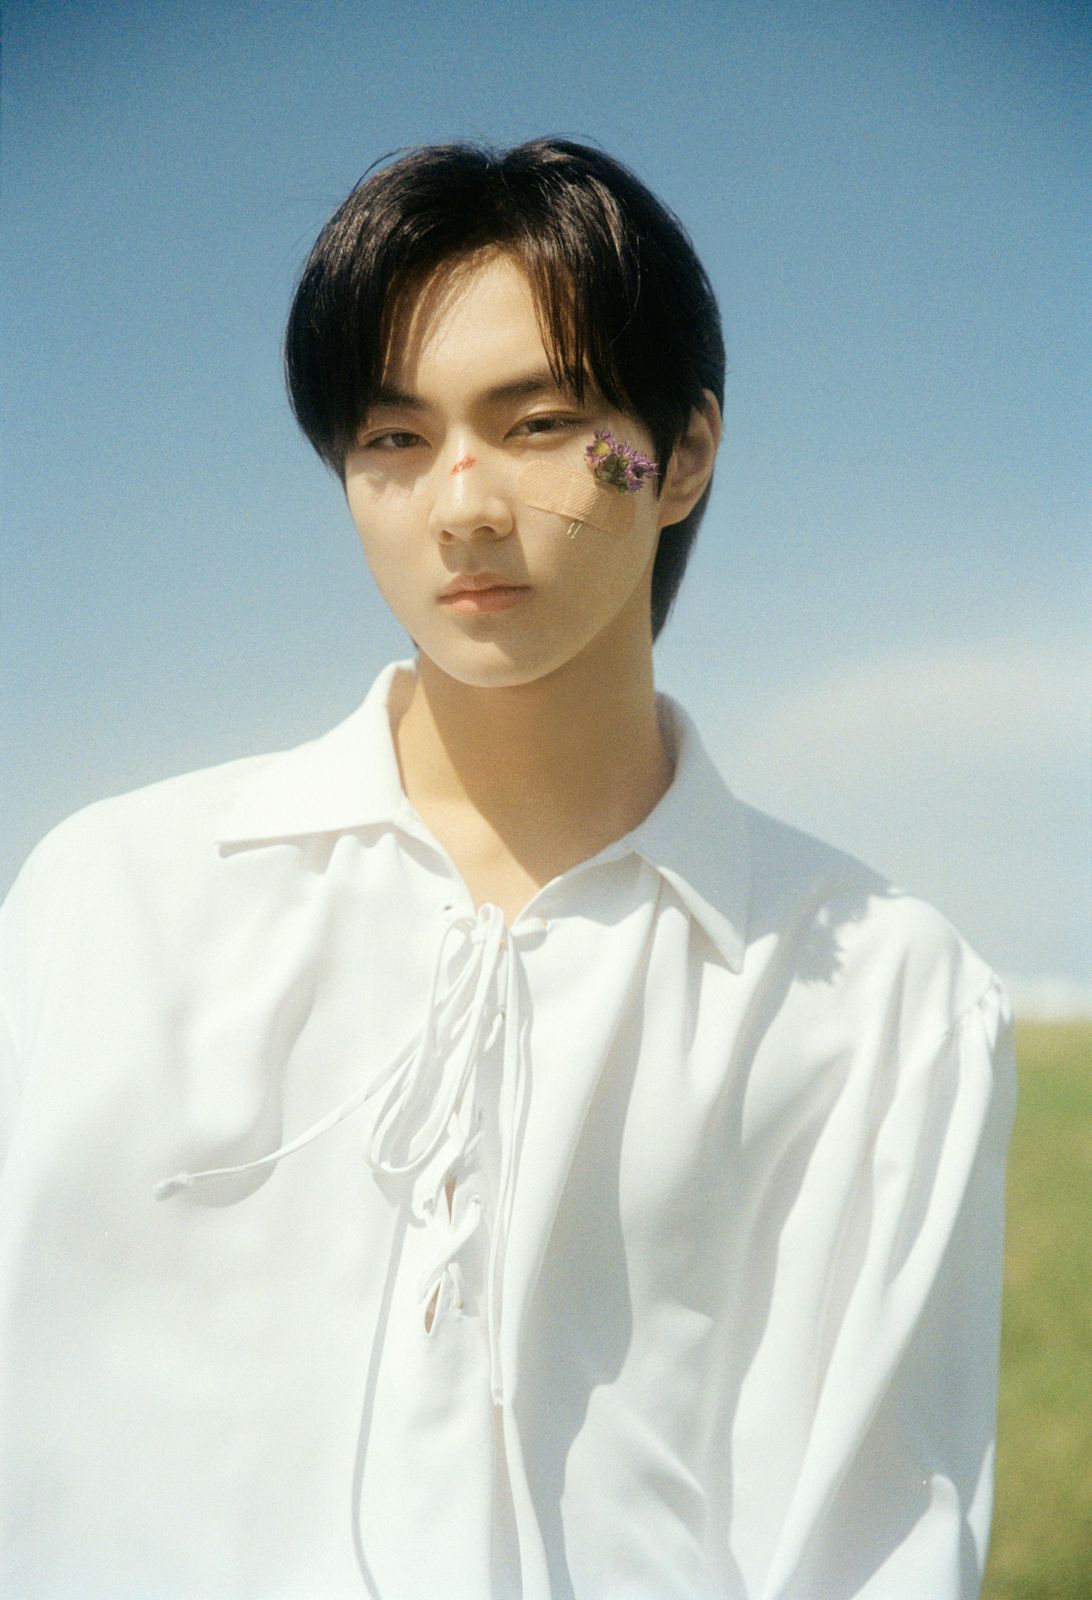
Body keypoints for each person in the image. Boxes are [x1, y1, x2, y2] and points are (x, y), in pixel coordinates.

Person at [0, 138, 1015, 1599]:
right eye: (394, 438)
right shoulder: (108, 906)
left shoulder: (879, 997)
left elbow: (876, 1551)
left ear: (686, 453)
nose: (463, 503)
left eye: (540, 423)